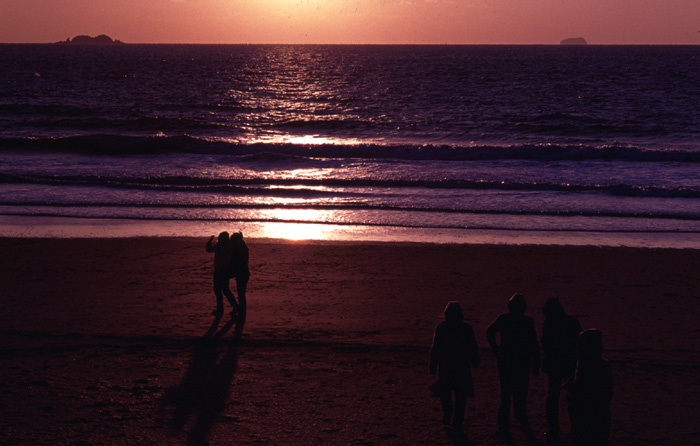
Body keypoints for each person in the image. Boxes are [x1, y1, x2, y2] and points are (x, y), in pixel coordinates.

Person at [486, 293, 540, 434]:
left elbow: (489, 331)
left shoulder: (504, 319)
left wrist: (495, 348)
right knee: (520, 392)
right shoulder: (527, 321)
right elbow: (534, 343)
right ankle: (519, 418)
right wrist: (536, 361)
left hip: (507, 360)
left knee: (506, 394)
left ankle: (504, 425)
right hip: (521, 361)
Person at [430, 301, 480, 433]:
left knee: (447, 393)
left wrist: (433, 365)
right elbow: (473, 347)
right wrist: (475, 361)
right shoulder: (466, 328)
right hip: (460, 366)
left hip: (447, 365)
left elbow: (435, 347)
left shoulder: (442, 327)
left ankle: (449, 414)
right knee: (459, 395)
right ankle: (457, 419)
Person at [541, 298, 582, 442]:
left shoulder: (549, 324)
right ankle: (575, 428)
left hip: (555, 363)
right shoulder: (571, 322)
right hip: (569, 362)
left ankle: (554, 429)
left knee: (553, 396)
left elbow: (545, 343)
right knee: (572, 396)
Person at [565, 329, 613, 446]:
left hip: (586, 413)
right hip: (600, 413)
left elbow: (578, 389)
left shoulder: (585, 366)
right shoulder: (603, 364)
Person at [205, 232, 238, 316]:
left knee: (224, 290)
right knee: (218, 290)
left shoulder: (228, 246)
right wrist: (210, 241)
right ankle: (221, 308)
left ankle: (234, 307)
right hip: (219, 270)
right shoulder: (219, 245)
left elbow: (209, 249)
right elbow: (209, 249)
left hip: (224, 271)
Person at [229, 231, 250, 324]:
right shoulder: (243, 247)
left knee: (241, 293)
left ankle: (241, 311)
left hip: (242, 273)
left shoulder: (238, 249)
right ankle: (241, 310)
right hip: (244, 272)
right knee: (241, 293)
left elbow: (236, 262)